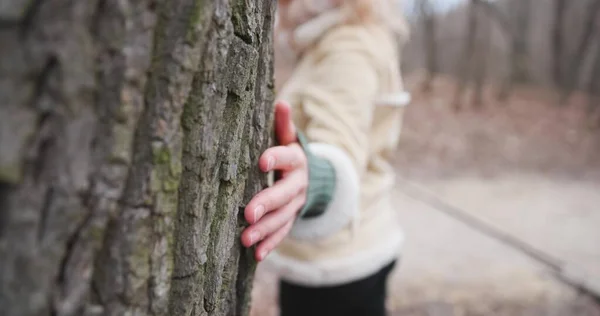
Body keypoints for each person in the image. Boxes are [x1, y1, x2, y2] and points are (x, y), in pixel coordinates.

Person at [241, 0, 411, 315]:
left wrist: (315, 177)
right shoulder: (342, 40)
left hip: (338, 267)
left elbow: (339, 143)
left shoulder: (348, 47)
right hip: (346, 250)